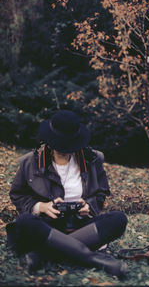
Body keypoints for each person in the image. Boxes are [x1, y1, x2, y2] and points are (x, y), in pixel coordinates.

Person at [7, 110, 128, 278]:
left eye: (69, 146)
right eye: (59, 145)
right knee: (24, 221)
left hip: (81, 226)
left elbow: (101, 193)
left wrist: (88, 206)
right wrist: (41, 206)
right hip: (47, 227)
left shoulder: (93, 159)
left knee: (118, 219)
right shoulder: (31, 162)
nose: (64, 150)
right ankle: (93, 259)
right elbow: (17, 194)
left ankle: (43, 255)